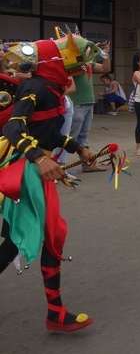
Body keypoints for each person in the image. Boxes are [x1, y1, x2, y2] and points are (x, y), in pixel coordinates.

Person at [0, 38, 96, 332]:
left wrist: (79, 148)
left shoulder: (52, 91)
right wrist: (40, 160)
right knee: (30, 238)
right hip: (25, 170)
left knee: (27, 239)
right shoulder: (36, 86)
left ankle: (55, 312)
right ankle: (55, 313)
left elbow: (50, 134)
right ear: (54, 60)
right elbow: (13, 127)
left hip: (34, 170)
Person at [69, 37, 111, 172]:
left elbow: (105, 68)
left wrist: (104, 54)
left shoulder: (88, 63)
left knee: (83, 136)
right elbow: (77, 70)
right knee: (69, 137)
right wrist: (89, 54)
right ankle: (59, 165)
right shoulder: (74, 63)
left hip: (88, 103)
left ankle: (87, 164)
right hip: (77, 104)